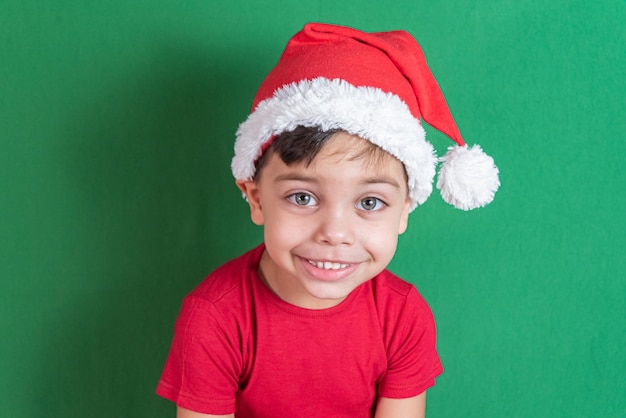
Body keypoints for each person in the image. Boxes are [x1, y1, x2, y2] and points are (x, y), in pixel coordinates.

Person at [156, 22, 499, 418]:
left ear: (405, 209)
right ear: (256, 198)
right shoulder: (215, 316)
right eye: (302, 197)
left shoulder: (403, 317)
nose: (334, 233)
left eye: (370, 202)